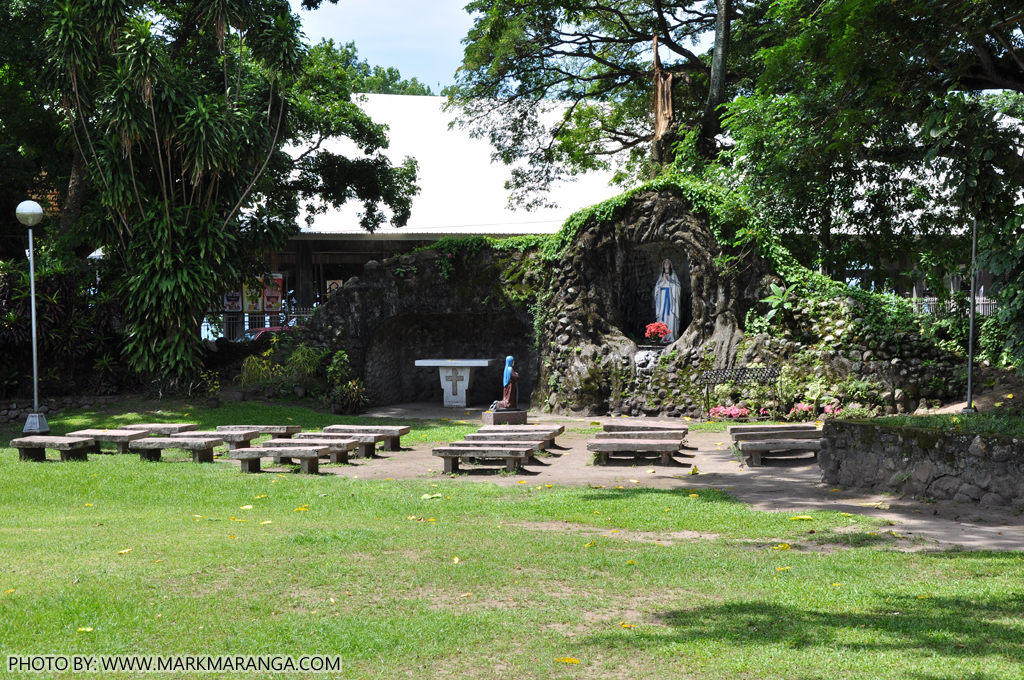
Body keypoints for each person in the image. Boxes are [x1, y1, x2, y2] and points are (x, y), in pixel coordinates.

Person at [654, 259, 682, 342]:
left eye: (668, 263)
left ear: (670, 265)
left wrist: (668, 282)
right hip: (662, 299)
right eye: (665, 263)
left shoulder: (674, 275)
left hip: (671, 299)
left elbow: (678, 288)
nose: (666, 264)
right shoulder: (661, 276)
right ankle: (663, 336)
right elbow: (657, 288)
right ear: (662, 265)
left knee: (671, 316)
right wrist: (663, 283)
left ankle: (671, 336)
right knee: (663, 315)